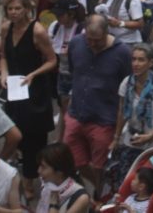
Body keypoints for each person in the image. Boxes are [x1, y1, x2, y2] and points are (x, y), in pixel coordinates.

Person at [0, 0, 57, 199]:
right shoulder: (6, 28)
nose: (13, 13)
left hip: (34, 90)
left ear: (26, 9)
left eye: (17, 9)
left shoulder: (37, 30)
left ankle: (30, 182)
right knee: (14, 135)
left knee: (33, 139)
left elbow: (51, 60)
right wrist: (3, 73)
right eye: (10, 9)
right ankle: (20, 174)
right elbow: (3, 55)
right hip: (14, 89)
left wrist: (34, 74)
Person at [63, 14, 132, 191]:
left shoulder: (122, 53)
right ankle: (98, 188)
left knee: (99, 166)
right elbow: (73, 72)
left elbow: (128, 87)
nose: (92, 44)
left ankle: (99, 195)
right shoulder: (77, 43)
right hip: (76, 114)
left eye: (97, 40)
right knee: (72, 159)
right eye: (89, 40)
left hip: (104, 120)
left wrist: (118, 132)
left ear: (107, 33)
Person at [111, 43, 153, 179]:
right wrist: (116, 138)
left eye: (141, 60)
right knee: (128, 183)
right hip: (131, 142)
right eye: (134, 59)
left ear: (151, 62)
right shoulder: (126, 83)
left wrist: (151, 135)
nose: (136, 64)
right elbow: (122, 112)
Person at [34, 142, 90, 213]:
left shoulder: (81, 198)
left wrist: (53, 204)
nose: (38, 170)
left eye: (43, 167)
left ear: (59, 171)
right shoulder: (48, 184)